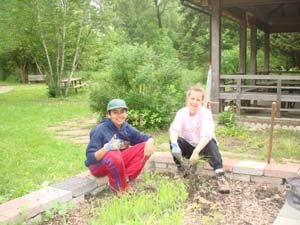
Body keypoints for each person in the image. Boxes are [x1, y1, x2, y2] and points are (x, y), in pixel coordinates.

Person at [85, 99, 155, 197]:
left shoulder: (125, 127)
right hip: (98, 166)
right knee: (114, 153)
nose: (119, 115)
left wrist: (150, 141)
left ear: (125, 113)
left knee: (144, 147)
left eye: (122, 112)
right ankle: (118, 187)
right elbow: (90, 158)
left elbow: (143, 138)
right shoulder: (100, 130)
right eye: (115, 112)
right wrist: (106, 148)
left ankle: (126, 180)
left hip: (117, 162)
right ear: (109, 115)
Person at [169, 84, 230, 194]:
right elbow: (174, 129)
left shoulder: (206, 114)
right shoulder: (182, 113)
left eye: (198, 99)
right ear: (187, 99)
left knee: (211, 142)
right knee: (175, 140)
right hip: (189, 147)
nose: (194, 102)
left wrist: (197, 151)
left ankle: (220, 176)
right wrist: (174, 144)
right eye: (192, 98)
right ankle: (182, 169)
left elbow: (206, 135)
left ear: (201, 101)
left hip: (203, 148)